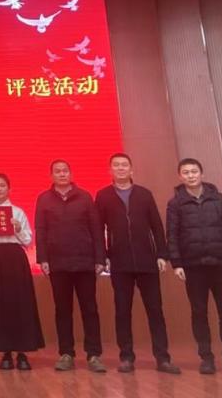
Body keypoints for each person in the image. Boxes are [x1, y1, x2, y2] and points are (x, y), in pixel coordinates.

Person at [95, 153, 180, 374]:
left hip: (147, 261)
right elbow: (97, 230)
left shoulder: (144, 194)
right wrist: (103, 256)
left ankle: (163, 358)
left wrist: (162, 254)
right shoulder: (103, 196)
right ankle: (126, 357)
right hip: (119, 262)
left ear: (131, 170)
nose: (120, 168)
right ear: (110, 170)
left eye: (124, 165)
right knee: (122, 311)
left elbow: (157, 226)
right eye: (116, 165)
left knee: (155, 310)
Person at [166, 158, 222, 376]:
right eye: (186, 172)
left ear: (202, 174)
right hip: (193, 267)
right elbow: (172, 235)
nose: (190, 175)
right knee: (199, 313)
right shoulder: (175, 204)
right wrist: (176, 263)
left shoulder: (220, 199)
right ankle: (206, 358)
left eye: (194, 171)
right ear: (180, 176)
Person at [35, 160, 107, 373]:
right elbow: (40, 230)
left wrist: (100, 258)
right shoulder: (44, 199)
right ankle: (66, 353)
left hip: (85, 262)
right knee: (63, 310)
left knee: (90, 309)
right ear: (51, 176)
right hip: (58, 264)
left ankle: (94, 354)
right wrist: (43, 259)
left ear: (71, 173)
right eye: (57, 171)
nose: (62, 174)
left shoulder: (84, 197)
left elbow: (96, 229)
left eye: (65, 171)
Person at [0, 172, 44, 370]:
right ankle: (5, 352)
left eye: (2, 185)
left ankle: (22, 352)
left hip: (16, 258)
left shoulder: (18, 212)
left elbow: (28, 241)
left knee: (21, 303)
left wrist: (18, 228)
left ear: (9, 189)